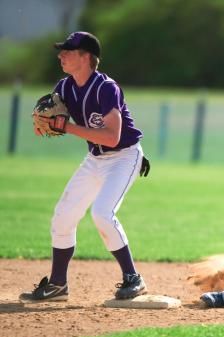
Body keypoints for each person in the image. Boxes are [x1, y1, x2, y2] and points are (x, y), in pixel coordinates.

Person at [20, 31, 150, 302]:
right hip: (95, 160)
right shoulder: (65, 87)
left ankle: (133, 278)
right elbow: (48, 114)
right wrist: (41, 122)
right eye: (62, 51)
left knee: (102, 213)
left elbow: (112, 137)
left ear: (86, 57)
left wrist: (66, 126)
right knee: (63, 216)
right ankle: (57, 285)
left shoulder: (105, 87)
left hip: (123, 156)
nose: (61, 55)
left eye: (68, 51)